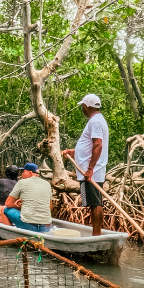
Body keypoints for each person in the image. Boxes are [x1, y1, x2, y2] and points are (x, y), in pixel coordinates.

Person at [62, 93, 109, 236]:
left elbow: (98, 145)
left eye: (83, 106)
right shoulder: (97, 120)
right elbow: (90, 145)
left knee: (95, 203)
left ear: (86, 106)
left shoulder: (95, 122)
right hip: (91, 170)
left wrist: (90, 169)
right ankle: (97, 233)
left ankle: (96, 235)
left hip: (91, 172)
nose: (82, 108)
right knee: (95, 202)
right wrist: (74, 152)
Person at [4, 163, 52, 233]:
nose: (21, 174)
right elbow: (49, 207)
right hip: (46, 227)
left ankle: (9, 232)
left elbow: (8, 204)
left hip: (29, 226)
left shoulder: (22, 182)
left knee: (6, 209)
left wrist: (18, 206)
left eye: (23, 171)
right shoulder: (47, 184)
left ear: (30, 172)